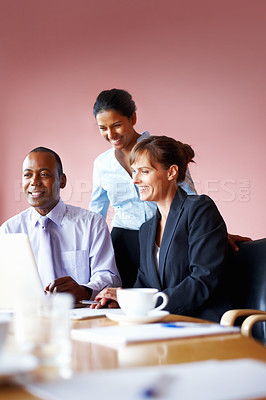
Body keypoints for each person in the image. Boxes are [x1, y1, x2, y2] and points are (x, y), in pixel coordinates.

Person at [90, 88, 251, 288]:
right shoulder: (101, 163)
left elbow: (189, 197)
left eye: (116, 125)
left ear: (133, 118)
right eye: (102, 128)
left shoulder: (160, 149)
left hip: (167, 232)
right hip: (125, 239)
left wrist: (210, 233)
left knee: (169, 290)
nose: (110, 134)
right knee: (131, 297)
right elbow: (97, 211)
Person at [92, 136, 232, 322]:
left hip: (201, 322)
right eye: (134, 172)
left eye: (144, 171)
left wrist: (148, 303)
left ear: (171, 172)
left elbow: (203, 280)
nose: (135, 180)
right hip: (164, 323)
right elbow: (144, 285)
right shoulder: (147, 229)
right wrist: (122, 298)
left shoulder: (199, 209)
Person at [0, 147, 121, 302]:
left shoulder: (92, 224)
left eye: (44, 174)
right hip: (29, 315)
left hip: (81, 316)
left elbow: (109, 276)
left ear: (62, 180)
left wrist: (84, 290)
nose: (34, 181)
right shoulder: (9, 231)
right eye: (28, 175)